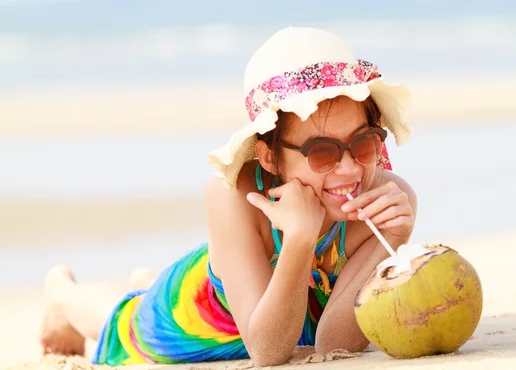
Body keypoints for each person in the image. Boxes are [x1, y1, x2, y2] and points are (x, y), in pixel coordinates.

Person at [40, 26, 417, 367]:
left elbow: (333, 344)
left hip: (285, 324)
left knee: (140, 293)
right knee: (126, 326)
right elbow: (267, 351)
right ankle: (63, 294)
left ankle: (142, 279)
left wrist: (393, 243)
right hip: (205, 315)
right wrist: (300, 240)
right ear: (270, 157)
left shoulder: (389, 202)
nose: (350, 169)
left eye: (363, 144)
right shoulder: (234, 195)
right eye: (322, 153)